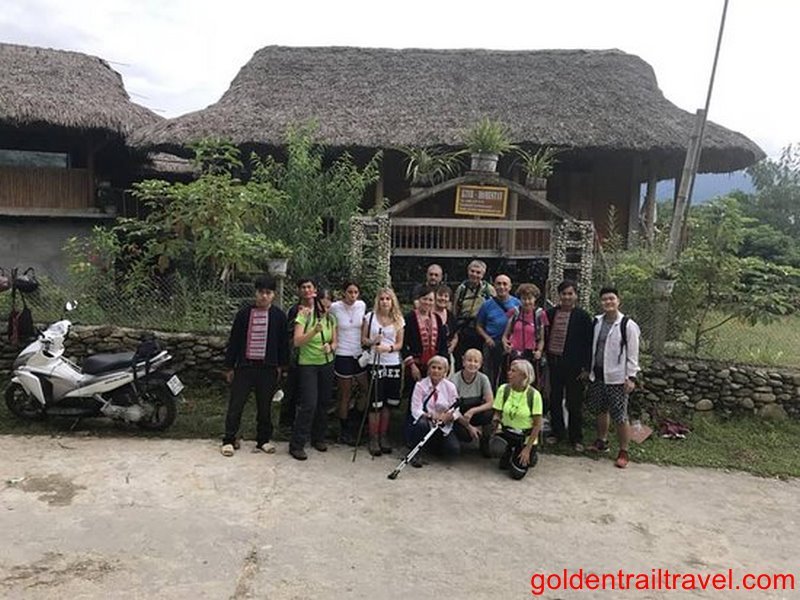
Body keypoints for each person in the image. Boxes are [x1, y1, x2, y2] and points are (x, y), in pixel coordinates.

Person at [221, 275, 288, 457]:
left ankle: (263, 440)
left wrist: (282, 367)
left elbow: (283, 344)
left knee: (264, 407)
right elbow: (234, 341)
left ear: (273, 295)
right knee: (236, 404)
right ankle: (229, 439)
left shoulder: (279, 317)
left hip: (268, 368)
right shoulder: (244, 314)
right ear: (255, 293)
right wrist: (229, 366)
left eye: (268, 293)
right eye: (261, 292)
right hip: (245, 367)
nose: (264, 296)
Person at [586, 286, 641, 469]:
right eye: (604, 299)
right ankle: (601, 441)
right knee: (601, 410)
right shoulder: (597, 322)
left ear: (618, 301)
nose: (608, 302)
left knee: (620, 415)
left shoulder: (628, 325)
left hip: (617, 377)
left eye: (611, 298)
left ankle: (624, 451)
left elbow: (633, 354)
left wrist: (631, 377)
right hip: (598, 374)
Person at [544, 280, 593, 452]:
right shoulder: (550, 314)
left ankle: (576, 437)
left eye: (570, 293)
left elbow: (589, 344)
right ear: (559, 295)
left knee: (574, 402)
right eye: (564, 294)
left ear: (576, 296)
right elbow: (544, 336)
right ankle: (557, 432)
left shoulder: (583, 317)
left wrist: (586, 368)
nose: (567, 297)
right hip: (554, 364)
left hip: (575, 367)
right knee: (554, 399)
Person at [289, 288, 337, 461]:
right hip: (308, 364)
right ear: (316, 302)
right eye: (322, 306)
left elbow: (335, 341)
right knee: (309, 403)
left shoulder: (331, 319)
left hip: (326, 363)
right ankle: (297, 444)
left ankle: (319, 437)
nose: (325, 310)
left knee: (324, 402)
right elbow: (297, 341)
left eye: (328, 306)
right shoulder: (304, 316)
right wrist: (313, 332)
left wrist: (330, 347)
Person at [361, 287, 405, 456]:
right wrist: (373, 341)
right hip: (375, 362)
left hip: (392, 363)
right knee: (375, 402)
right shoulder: (370, 317)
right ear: (377, 301)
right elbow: (363, 339)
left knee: (388, 402)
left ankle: (383, 435)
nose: (385, 302)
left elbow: (400, 344)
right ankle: (373, 437)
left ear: (392, 301)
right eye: (382, 299)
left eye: (388, 299)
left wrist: (389, 348)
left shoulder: (398, 320)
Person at [490, 359, 543, 480]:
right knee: (497, 454)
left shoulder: (534, 395)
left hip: (525, 437)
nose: (509, 373)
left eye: (513, 371)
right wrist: (495, 423)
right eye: (510, 370)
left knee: (517, 474)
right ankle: (509, 452)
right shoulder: (504, 389)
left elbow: (537, 425)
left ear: (523, 375)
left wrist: (527, 449)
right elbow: (497, 413)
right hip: (507, 433)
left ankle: (531, 455)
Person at [329, 281, 368, 444]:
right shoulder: (335, 307)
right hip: (342, 353)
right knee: (345, 393)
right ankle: (343, 429)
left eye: (355, 292)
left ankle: (355, 421)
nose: (353, 295)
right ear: (344, 293)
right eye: (350, 292)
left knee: (366, 389)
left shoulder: (361, 305)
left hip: (358, 353)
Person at [406, 355, 461, 467]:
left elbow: (456, 410)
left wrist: (448, 417)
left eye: (440, 368)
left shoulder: (450, 387)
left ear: (445, 371)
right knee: (421, 424)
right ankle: (416, 453)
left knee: (453, 450)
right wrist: (431, 416)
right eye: (433, 367)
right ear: (428, 369)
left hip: (443, 425)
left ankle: (433, 446)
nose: (436, 371)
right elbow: (415, 410)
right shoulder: (420, 385)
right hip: (427, 422)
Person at [279, 278, 317, 430]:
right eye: (303, 287)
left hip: (315, 355)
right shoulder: (294, 310)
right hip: (297, 355)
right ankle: (286, 423)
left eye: (309, 287)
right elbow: (288, 333)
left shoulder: (321, 309)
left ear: (314, 290)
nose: (306, 290)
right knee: (291, 389)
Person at [476, 274, 520, 389]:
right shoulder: (486, 305)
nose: (501, 287)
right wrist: (487, 338)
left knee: (509, 373)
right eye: (498, 284)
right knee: (489, 374)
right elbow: (479, 325)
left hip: (510, 345)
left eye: (505, 284)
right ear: (494, 286)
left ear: (510, 287)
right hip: (492, 343)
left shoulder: (517, 304)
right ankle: (489, 396)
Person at [502, 283, 548, 387]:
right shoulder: (514, 312)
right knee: (512, 381)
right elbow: (505, 336)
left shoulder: (540, 314)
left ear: (535, 299)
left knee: (530, 383)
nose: (527, 302)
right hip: (514, 353)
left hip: (531, 354)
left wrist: (539, 351)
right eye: (524, 299)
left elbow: (542, 339)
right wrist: (505, 344)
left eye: (530, 298)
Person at [450, 348, 494, 457]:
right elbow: (452, 409)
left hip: (474, 412)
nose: (472, 364)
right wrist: (469, 426)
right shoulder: (454, 379)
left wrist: (472, 411)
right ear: (463, 362)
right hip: (459, 415)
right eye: (469, 360)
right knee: (466, 436)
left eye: (476, 361)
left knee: (490, 413)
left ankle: (485, 441)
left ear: (480, 364)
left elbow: (490, 402)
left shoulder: (483, 378)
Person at [453, 260, 495, 370]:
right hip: (464, 329)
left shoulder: (488, 290)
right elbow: (455, 309)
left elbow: (494, 309)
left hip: (481, 330)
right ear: (468, 271)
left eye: (478, 272)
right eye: (472, 271)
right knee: (461, 360)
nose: (474, 274)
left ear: (483, 274)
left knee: (479, 360)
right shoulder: (462, 289)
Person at [403, 288, 449, 383]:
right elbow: (403, 344)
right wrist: (412, 366)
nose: (427, 302)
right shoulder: (409, 318)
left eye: (430, 300)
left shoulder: (437, 318)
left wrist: (444, 366)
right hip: (415, 365)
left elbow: (443, 344)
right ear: (419, 300)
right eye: (425, 299)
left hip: (435, 367)